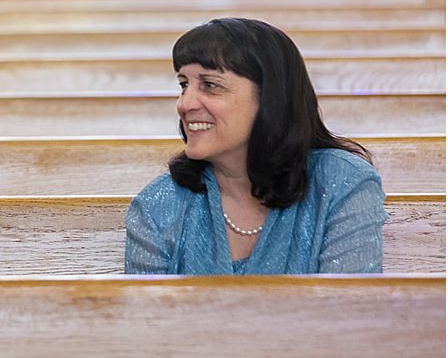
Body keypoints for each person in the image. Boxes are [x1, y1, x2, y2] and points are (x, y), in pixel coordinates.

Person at [124, 18, 387, 275]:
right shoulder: (158, 204)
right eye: (184, 85)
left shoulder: (342, 182)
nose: (184, 104)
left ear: (270, 98)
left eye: (210, 85)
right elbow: (147, 317)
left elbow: (349, 312)